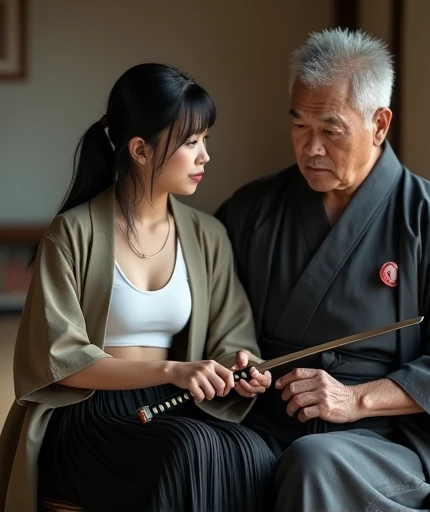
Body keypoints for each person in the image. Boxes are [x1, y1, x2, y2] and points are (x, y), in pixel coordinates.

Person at [216, 28, 430, 511]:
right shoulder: (253, 210)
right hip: (263, 421)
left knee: (314, 462)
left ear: (379, 124)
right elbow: (214, 318)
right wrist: (237, 360)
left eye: (330, 130)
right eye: (299, 127)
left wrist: (357, 399)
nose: (311, 149)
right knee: (195, 453)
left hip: (390, 439)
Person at [0, 63, 275, 512]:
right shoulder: (72, 233)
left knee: (255, 453)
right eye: (191, 142)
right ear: (141, 150)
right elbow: (61, 360)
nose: (205, 156)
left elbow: (233, 337)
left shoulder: (208, 236)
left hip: (174, 406)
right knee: (188, 452)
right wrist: (172, 371)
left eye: (205, 139)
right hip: (89, 412)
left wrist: (241, 367)